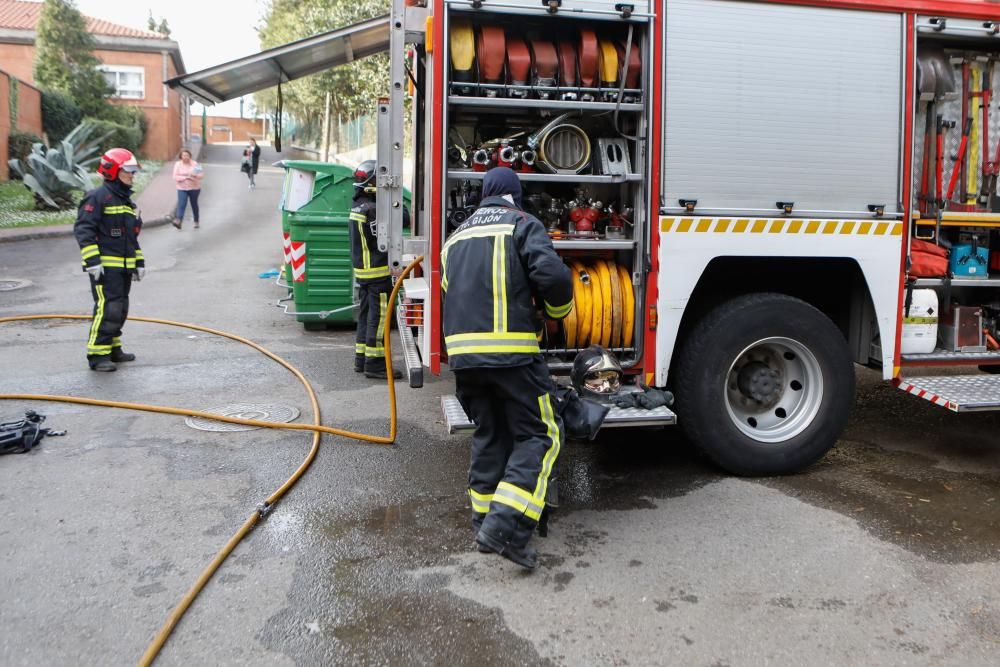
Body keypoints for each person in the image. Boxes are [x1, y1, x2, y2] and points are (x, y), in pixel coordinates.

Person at [440, 167, 573, 569]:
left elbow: (450, 294)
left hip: (465, 360)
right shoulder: (521, 223)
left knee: (490, 432)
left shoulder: (455, 238)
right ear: (514, 195)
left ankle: (483, 518)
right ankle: (504, 528)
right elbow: (552, 277)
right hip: (511, 355)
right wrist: (556, 313)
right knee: (542, 433)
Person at [73, 148, 145, 372]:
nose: (132, 175)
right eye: (128, 171)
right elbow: (84, 229)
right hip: (105, 269)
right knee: (108, 309)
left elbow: (132, 236)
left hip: (124, 267)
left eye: (133, 171)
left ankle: (113, 348)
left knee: (120, 308)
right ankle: (97, 354)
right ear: (113, 171)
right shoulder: (97, 197)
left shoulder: (126, 202)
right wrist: (92, 261)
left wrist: (139, 262)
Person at [349, 159, 408, 379]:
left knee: (365, 316)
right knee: (379, 318)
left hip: (364, 273)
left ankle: (361, 359)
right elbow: (404, 219)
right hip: (377, 272)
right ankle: (375, 365)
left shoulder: (358, 206)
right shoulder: (374, 210)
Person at [171, 149, 203, 230]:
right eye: (183, 155)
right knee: (181, 204)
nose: (185, 157)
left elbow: (201, 175)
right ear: (181, 157)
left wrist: (195, 176)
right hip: (182, 188)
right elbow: (175, 176)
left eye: (187, 155)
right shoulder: (177, 164)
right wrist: (185, 178)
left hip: (194, 188)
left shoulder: (195, 164)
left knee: (194, 204)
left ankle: (196, 221)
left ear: (190, 156)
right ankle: (178, 221)